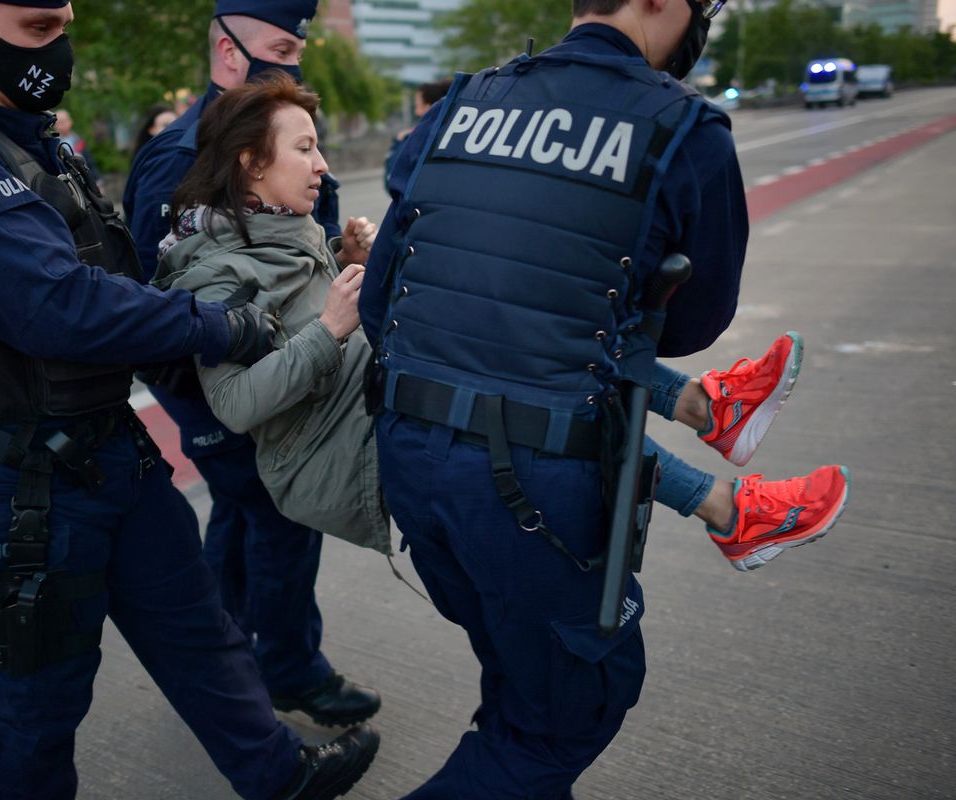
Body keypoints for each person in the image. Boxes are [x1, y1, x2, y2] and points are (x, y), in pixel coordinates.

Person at [0, 2, 379, 798]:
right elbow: (55, 304)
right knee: (45, 693)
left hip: (105, 450)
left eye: (61, 23)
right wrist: (224, 330)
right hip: (16, 476)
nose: (58, 46)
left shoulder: (40, 144)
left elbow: (133, 278)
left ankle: (279, 775)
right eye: (37, 29)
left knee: (201, 634)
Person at [358, 0, 849, 794]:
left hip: (410, 459)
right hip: (530, 486)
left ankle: (718, 436)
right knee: (567, 714)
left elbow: (385, 296)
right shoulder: (684, 128)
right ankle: (717, 434)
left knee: (520, 681)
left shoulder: (463, 102)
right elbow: (691, 321)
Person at [125, 0, 382, 729]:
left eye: (297, 50)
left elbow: (289, 253)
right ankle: (284, 670)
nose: (291, 64)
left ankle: (225, 666)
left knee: (246, 521)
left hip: (282, 361)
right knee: (276, 515)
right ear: (228, 51)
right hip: (214, 381)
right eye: (276, 49)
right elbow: (165, 292)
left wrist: (340, 251)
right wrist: (210, 403)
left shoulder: (282, 122)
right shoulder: (181, 156)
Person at [155, 75, 386, 552]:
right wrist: (331, 327)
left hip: (365, 429)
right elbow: (234, 404)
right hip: (325, 462)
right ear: (253, 162)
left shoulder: (287, 225)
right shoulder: (217, 269)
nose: (322, 165)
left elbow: (292, 303)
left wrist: (346, 260)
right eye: (304, 148)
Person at [384, 79, 451, 193]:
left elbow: (394, 181)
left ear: (430, 106)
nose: (417, 113)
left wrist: (399, 143)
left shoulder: (416, 138)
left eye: (417, 106)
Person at [53, 108, 100, 183]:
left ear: (70, 122)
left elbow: (89, 162)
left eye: (63, 122)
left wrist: (98, 181)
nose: (61, 126)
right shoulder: (53, 143)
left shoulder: (78, 140)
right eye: (58, 123)